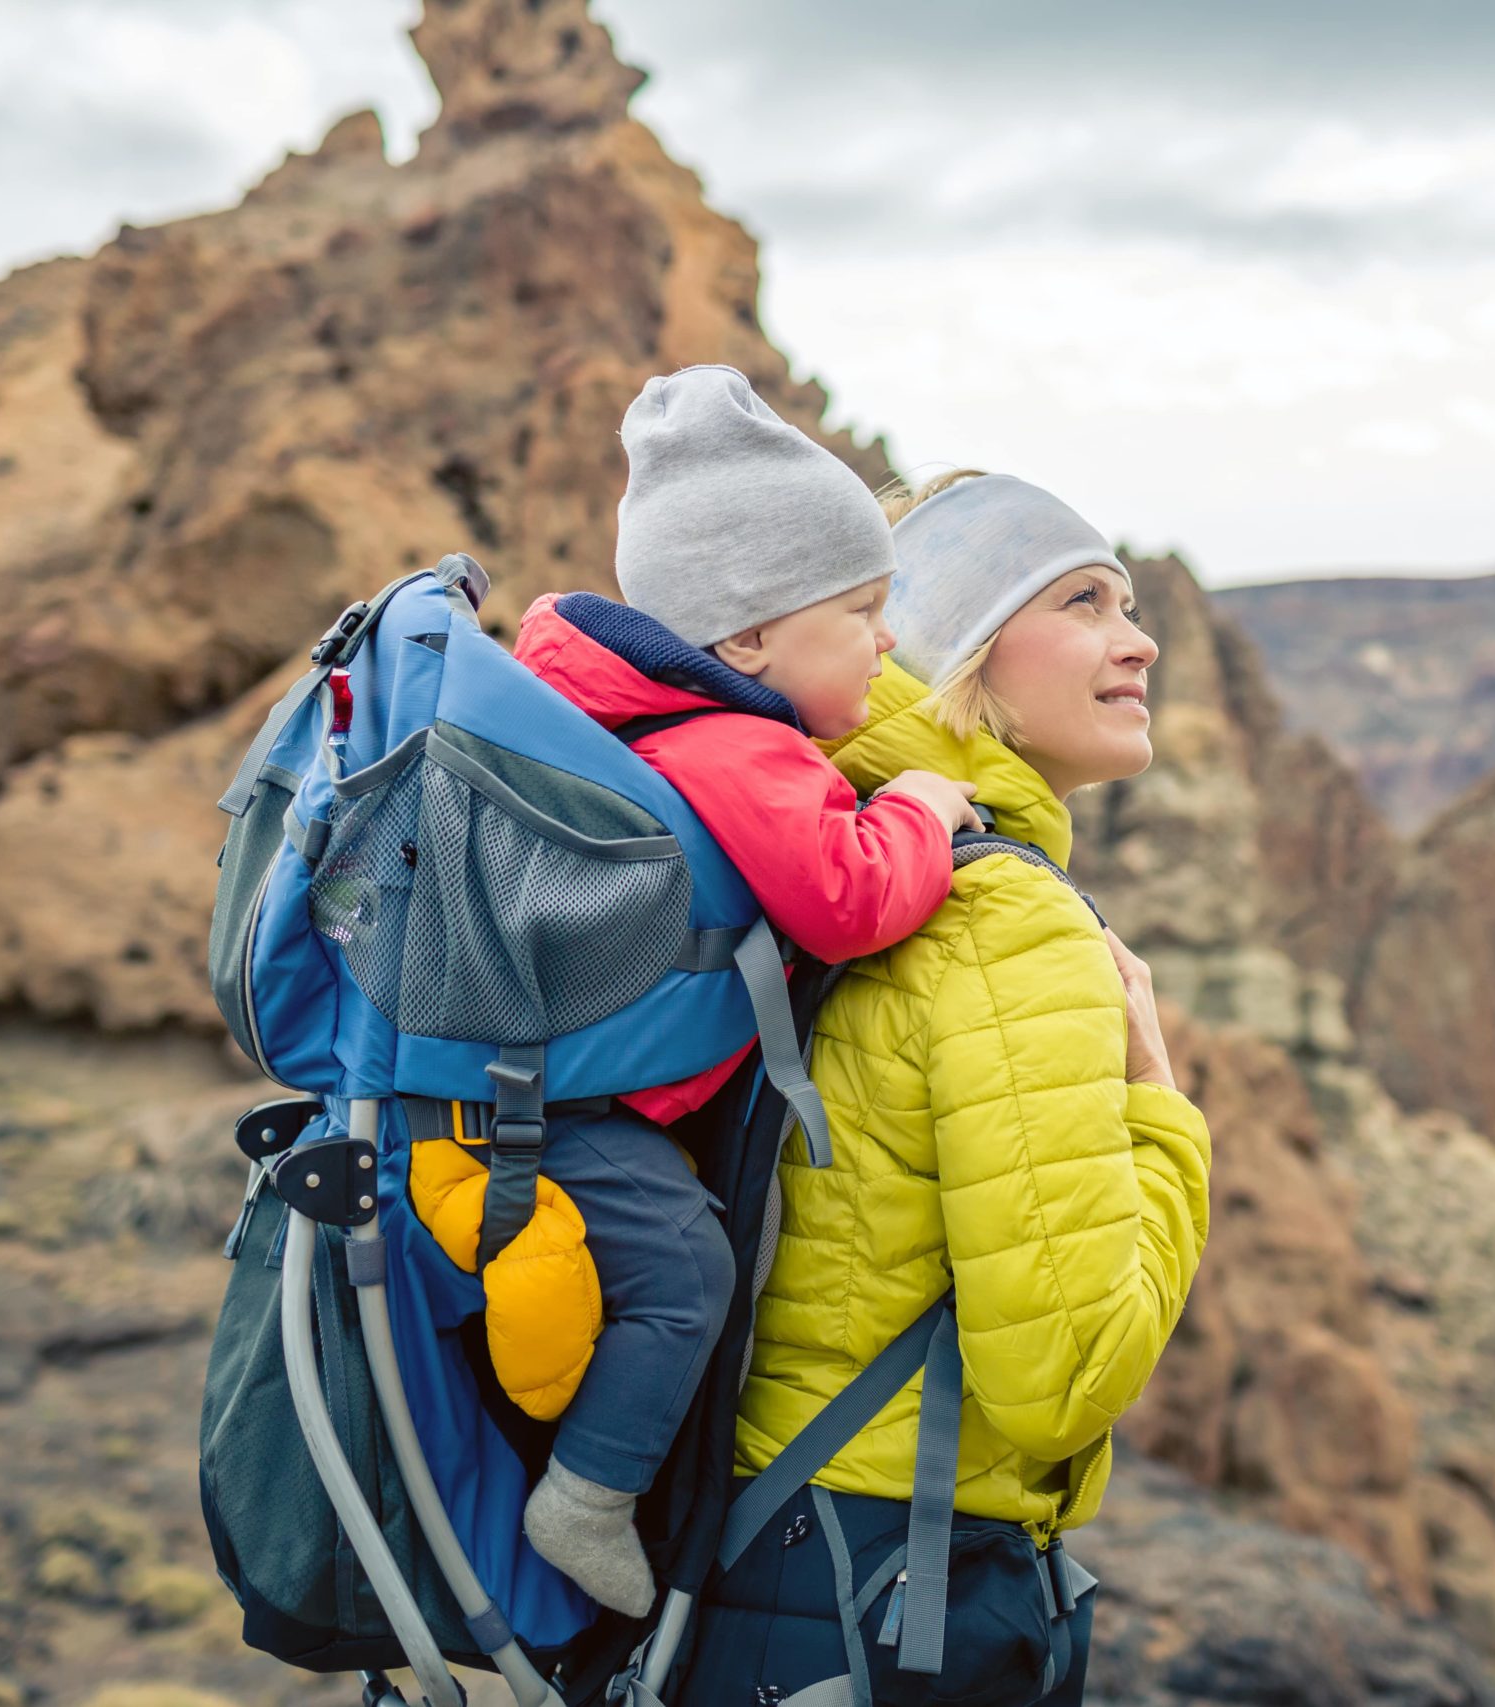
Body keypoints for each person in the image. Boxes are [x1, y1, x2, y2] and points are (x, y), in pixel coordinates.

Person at [409, 367, 980, 1618]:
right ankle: (588, 1500)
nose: (887, 643)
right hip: (560, 1116)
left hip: (527, 1088)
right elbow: (845, 899)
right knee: (687, 1277)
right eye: (861, 611)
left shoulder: (646, 713)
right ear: (748, 642)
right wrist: (922, 809)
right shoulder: (739, 746)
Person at [679, 468, 1214, 1702]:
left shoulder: (845, 858)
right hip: (893, 1591)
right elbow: (1064, 1379)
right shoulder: (1004, 918)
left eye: (1127, 603)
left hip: (760, 1560)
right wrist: (1166, 1113)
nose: (1137, 642)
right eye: (1081, 601)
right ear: (960, 650)